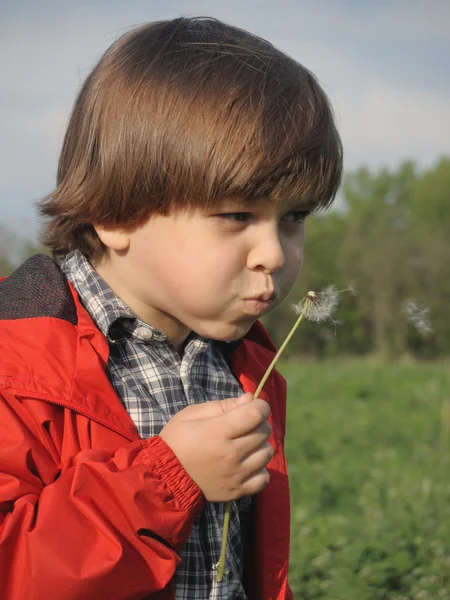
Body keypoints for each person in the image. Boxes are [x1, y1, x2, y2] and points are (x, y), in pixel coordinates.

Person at [0, 16, 342, 600]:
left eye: (294, 218)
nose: (273, 253)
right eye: (237, 215)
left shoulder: (242, 362)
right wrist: (168, 477)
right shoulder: (18, 370)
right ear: (116, 215)